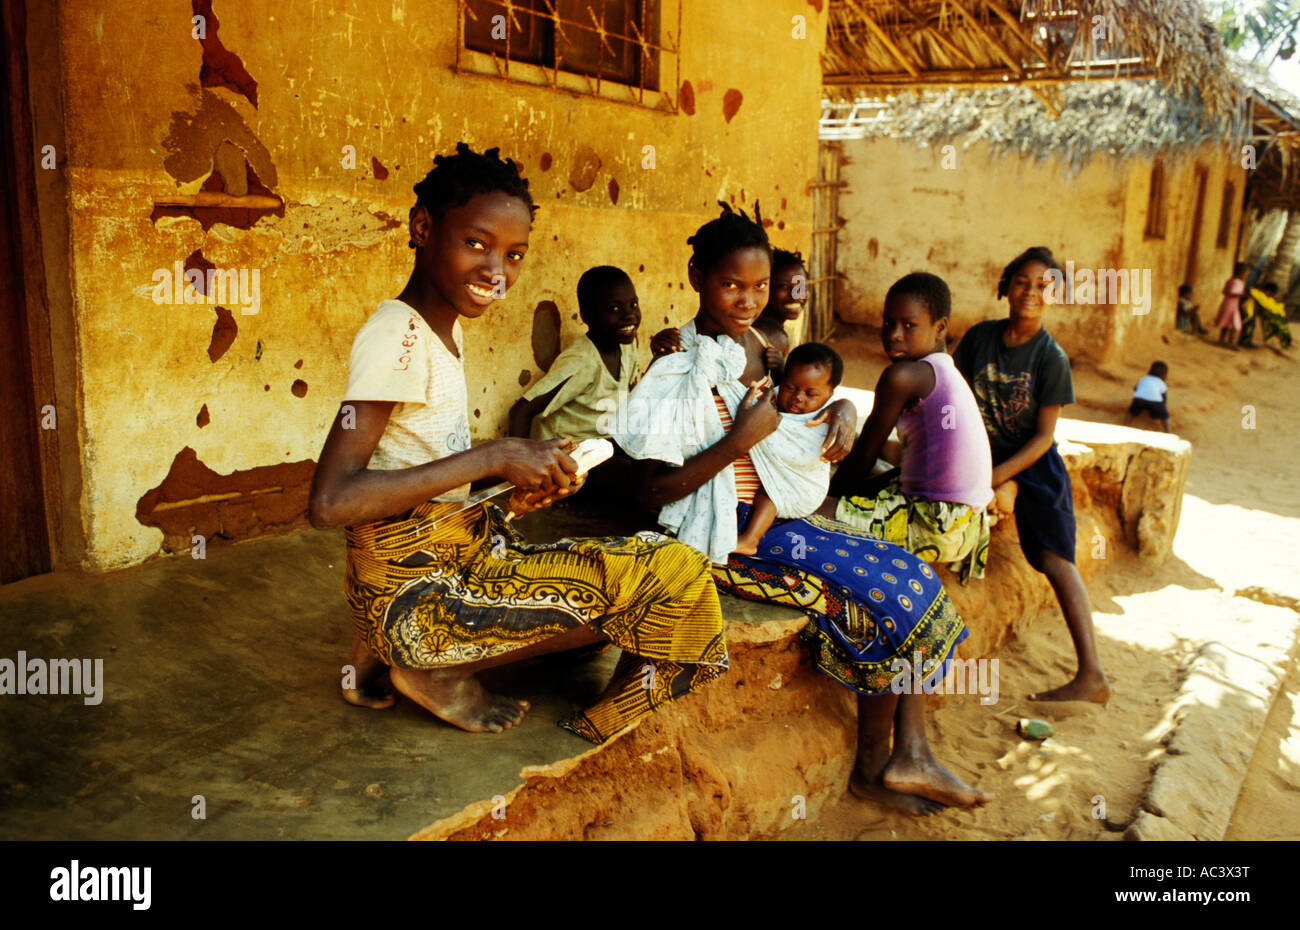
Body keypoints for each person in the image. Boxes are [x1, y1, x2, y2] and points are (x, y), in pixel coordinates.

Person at [308, 143, 728, 746]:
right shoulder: (397, 337)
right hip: (420, 594)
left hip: (429, 565)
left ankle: (378, 651)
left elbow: (415, 464)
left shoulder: (434, 327)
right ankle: (429, 667)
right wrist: (496, 454)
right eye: (476, 244)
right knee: (672, 572)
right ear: (422, 228)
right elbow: (331, 502)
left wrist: (512, 482)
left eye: (514, 254)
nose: (496, 270)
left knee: (597, 596)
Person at [621, 202, 988, 814]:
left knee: (909, 576)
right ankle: (896, 761)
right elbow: (651, 492)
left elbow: (805, 412)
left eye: (758, 286)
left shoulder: (766, 351)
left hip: (780, 513)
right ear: (695, 277)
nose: (745, 299)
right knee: (895, 589)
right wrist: (739, 441)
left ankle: (890, 764)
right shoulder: (674, 363)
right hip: (720, 534)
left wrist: (842, 412)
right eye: (729, 284)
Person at [952, 246, 1110, 704]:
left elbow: (1042, 438)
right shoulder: (980, 339)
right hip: (980, 455)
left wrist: (999, 475)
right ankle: (1006, 487)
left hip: (1034, 465)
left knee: (1055, 561)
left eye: (1044, 286)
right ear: (1006, 285)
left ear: (1055, 295)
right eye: (1022, 281)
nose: (1031, 292)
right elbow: (954, 400)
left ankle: (1092, 675)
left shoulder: (1050, 358)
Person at [825, 272, 993, 583]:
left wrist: (827, 498)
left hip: (933, 524)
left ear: (940, 328)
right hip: (969, 523)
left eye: (908, 325)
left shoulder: (902, 377)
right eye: (888, 323)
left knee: (808, 508)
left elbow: (863, 458)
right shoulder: (948, 372)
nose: (894, 334)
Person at [507, 265, 641, 441]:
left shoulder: (626, 347)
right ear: (587, 316)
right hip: (571, 452)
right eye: (615, 308)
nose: (629, 315)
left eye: (633, 304)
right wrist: (522, 461)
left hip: (608, 444)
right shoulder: (581, 361)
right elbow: (521, 412)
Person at [734, 342, 841, 556]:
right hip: (782, 477)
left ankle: (750, 539)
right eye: (790, 388)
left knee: (768, 495)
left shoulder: (824, 420)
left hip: (803, 487)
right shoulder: (771, 398)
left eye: (810, 394)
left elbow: (806, 454)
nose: (797, 397)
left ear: (829, 395)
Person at [648, 246, 806, 379]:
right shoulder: (744, 329)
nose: (797, 295)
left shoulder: (780, 336)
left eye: (801, 286)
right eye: (784, 287)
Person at [1238, 281, 1292, 349]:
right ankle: (1244, 342)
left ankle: (1246, 341)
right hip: (1246, 311)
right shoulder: (1258, 294)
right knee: (1249, 325)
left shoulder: (1259, 294)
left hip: (1250, 311)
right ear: (1268, 291)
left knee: (1251, 325)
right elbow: (1267, 304)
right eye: (1271, 294)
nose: (1270, 297)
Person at [1124, 362, 1171, 433]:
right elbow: (1164, 396)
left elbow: (1135, 388)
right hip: (1155, 402)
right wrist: (1163, 407)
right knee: (1165, 416)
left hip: (1139, 399)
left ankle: (1125, 426)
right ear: (1165, 374)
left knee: (1131, 412)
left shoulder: (1144, 379)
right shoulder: (1161, 383)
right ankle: (1168, 431)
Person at [1214, 263, 1248, 347]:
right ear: (1240, 273)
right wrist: (1242, 295)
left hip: (1229, 304)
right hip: (1231, 305)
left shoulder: (1230, 280)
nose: (1246, 276)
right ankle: (1230, 342)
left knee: (1227, 323)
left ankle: (1222, 340)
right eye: (1246, 274)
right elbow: (1232, 292)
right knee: (1234, 325)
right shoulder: (1236, 282)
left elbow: (1224, 291)